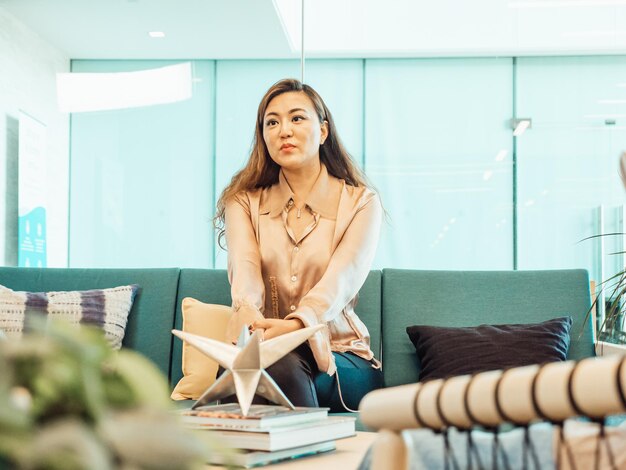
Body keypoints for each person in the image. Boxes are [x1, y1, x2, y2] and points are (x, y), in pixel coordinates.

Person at [214, 78, 383, 411]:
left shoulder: (361, 202)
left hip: (341, 355)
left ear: (322, 132)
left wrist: (296, 325)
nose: (284, 130)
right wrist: (249, 315)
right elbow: (245, 271)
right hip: (264, 347)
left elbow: (341, 280)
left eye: (297, 118)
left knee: (273, 366)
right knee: (245, 365)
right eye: (272, 122)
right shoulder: (243, 202)